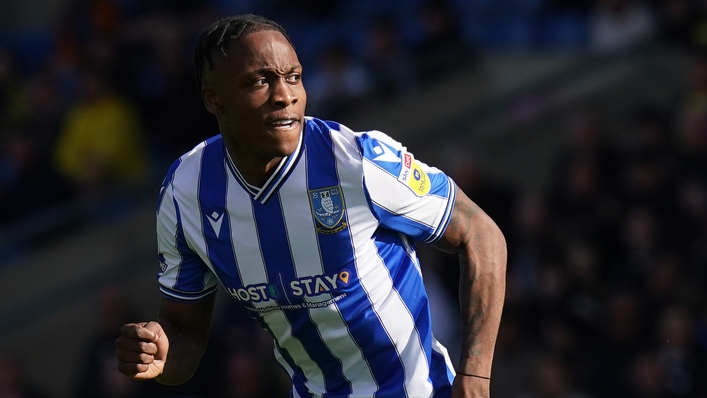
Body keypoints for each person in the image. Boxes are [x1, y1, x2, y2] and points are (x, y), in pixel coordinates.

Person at [115, 14, 506, 398]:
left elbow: (480, 233)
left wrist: (475, 376)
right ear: (214, 99)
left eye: (294, 77)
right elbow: (184, 334)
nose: (285, 95)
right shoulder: (187, 193)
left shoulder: (356, 161)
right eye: (260, 81)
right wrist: (161, 357)